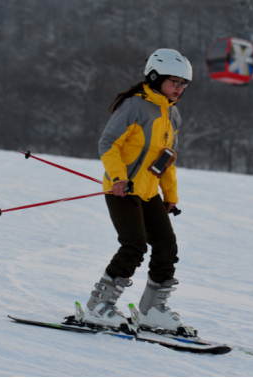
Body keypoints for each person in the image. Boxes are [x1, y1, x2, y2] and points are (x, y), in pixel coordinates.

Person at [80, 49, 192, 333]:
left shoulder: (172, 114)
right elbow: (109, 144)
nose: (179, 88)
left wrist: (171, 196)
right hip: (123, 189)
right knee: (134, 245)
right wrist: (118, 177)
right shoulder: (134, 106)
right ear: (155, 78)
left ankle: (153, 310)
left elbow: (168, 159)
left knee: (167, 245)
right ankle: (98, 306)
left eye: (183, 83)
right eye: (174, 82)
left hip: (148, 192)